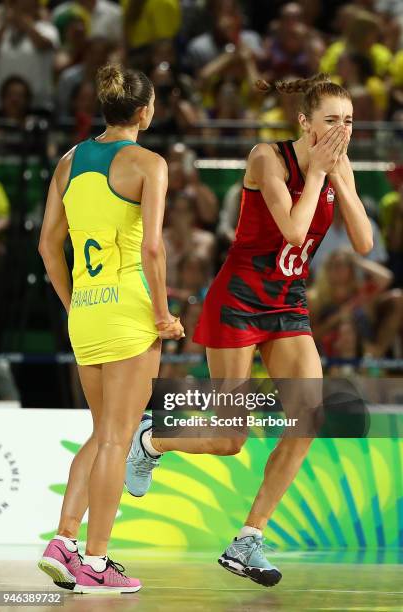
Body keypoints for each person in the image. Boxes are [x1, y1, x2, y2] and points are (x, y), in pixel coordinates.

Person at [126, 74, 374, 587]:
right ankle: (152, 439)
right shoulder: (267, 157)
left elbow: (365, 242)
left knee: (310, 417)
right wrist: (322, 176)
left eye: (349, 121)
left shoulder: (337, 164)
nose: (342, 131)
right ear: (305, 123)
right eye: (331, 120)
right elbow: (294, 230)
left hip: (287, 303)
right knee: (228, 438)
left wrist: (340, 179)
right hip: (238, 302)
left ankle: (248, 537)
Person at [37, 63, 184, 594]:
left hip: (87, 314)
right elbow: (152, 247)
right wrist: (164, 315)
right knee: (118, 441)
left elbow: (47, 249)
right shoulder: (148, 163)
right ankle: (97, 561)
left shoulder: (68, 163)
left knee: (103, 434)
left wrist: (75, 304)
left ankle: (64, 541)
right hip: (129, 313)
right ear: (145, 112)